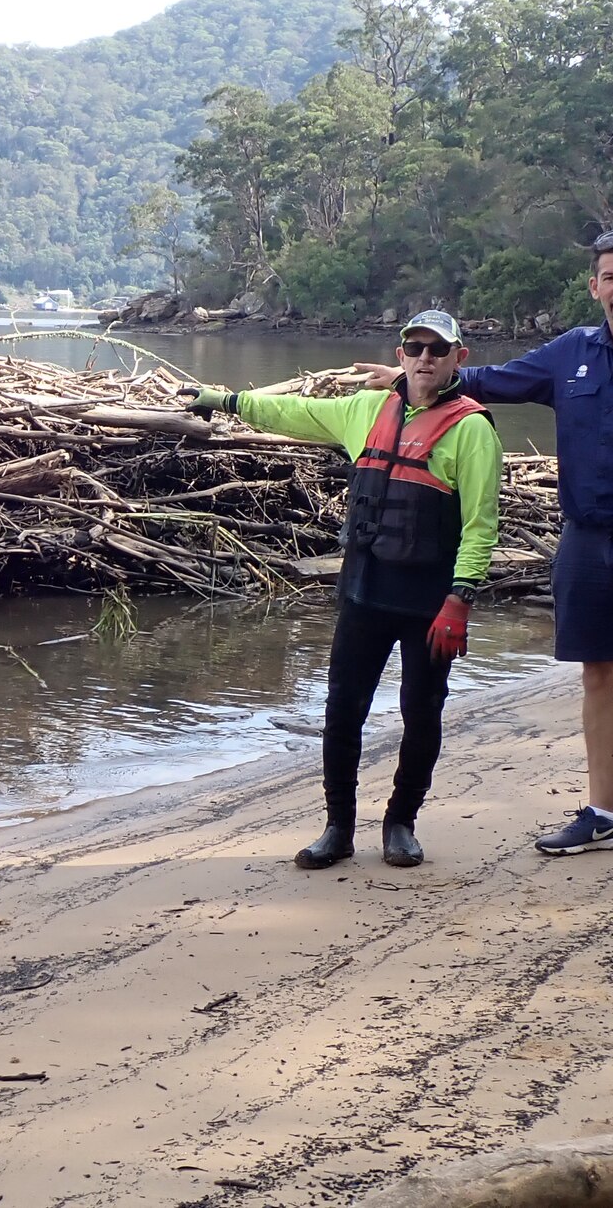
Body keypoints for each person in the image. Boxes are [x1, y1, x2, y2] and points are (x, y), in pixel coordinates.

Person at [355, 229, 613, 879]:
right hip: (584, 539)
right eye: (610, 277)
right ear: (594, 288)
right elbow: (493, 381)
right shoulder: (573, 353)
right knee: (599, 676)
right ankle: (603, 813)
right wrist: (421, 375)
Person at [182, 310, 503, 869]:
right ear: (400, 355)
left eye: (437, 350)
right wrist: (225, 400)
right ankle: (339, 828)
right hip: (363, 595)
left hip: (429, 606)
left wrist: (461, 598)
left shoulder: (472, 430)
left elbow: (480, 525)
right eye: (415, 348)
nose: (425, 359)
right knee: (342, 712)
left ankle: (401, 823)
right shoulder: (365, 410)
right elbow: (294, 411)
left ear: (458, 359)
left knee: (421, 713)